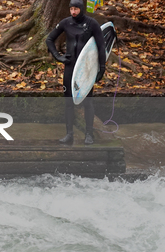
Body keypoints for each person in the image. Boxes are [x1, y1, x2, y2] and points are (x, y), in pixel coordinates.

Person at [46, 0, 106, 145]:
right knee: (68, 102)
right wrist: (58, 56)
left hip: (86, 69)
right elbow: (49, 39)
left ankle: (89, 134)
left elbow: (101, 46)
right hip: (70, 66)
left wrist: (101, 67)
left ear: (82, 9)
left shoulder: (92, 24)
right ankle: (69, 135)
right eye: (71, 9)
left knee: (88, 102)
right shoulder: (66, 23)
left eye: (76, 9)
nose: (73, 12)